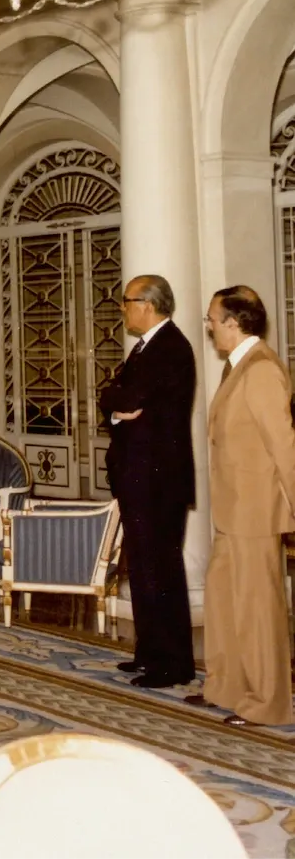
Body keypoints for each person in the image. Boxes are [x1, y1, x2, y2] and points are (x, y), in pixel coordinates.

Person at [191, 286, 295, 726]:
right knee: (223, 599)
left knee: (256, 609)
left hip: (255, 513)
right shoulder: (239, 368)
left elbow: (285, 446)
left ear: (234, 322)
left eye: (212, 318)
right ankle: (227, 687)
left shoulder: (262, 371)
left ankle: (267, 703)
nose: (209, 326)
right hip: (233, 511)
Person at [97, 274, 196, 689]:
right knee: (143, 569)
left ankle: (171, 663)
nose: (123, 308)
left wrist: (116, 400)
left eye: (127, 301)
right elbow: (116, 398)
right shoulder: (145, 348)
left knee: (160, 570)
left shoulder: (170, 348)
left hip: (158, 480)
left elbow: (128, 399)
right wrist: (115, 401)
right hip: (140, 477)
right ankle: (150, 652)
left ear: (148, 304)